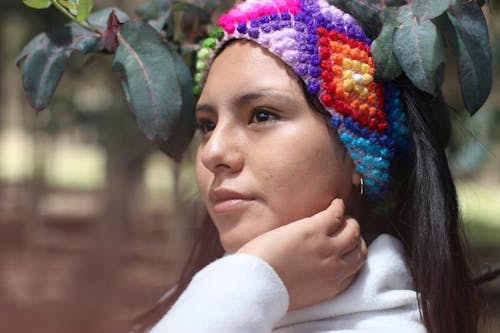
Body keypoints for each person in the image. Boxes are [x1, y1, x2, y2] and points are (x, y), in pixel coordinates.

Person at [135, 0, 484, 332]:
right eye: (207, 124)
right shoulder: (189, 304)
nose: (213, 151)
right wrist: (258, 276)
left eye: (261, 115)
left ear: (360, 155)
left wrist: (254, 280)